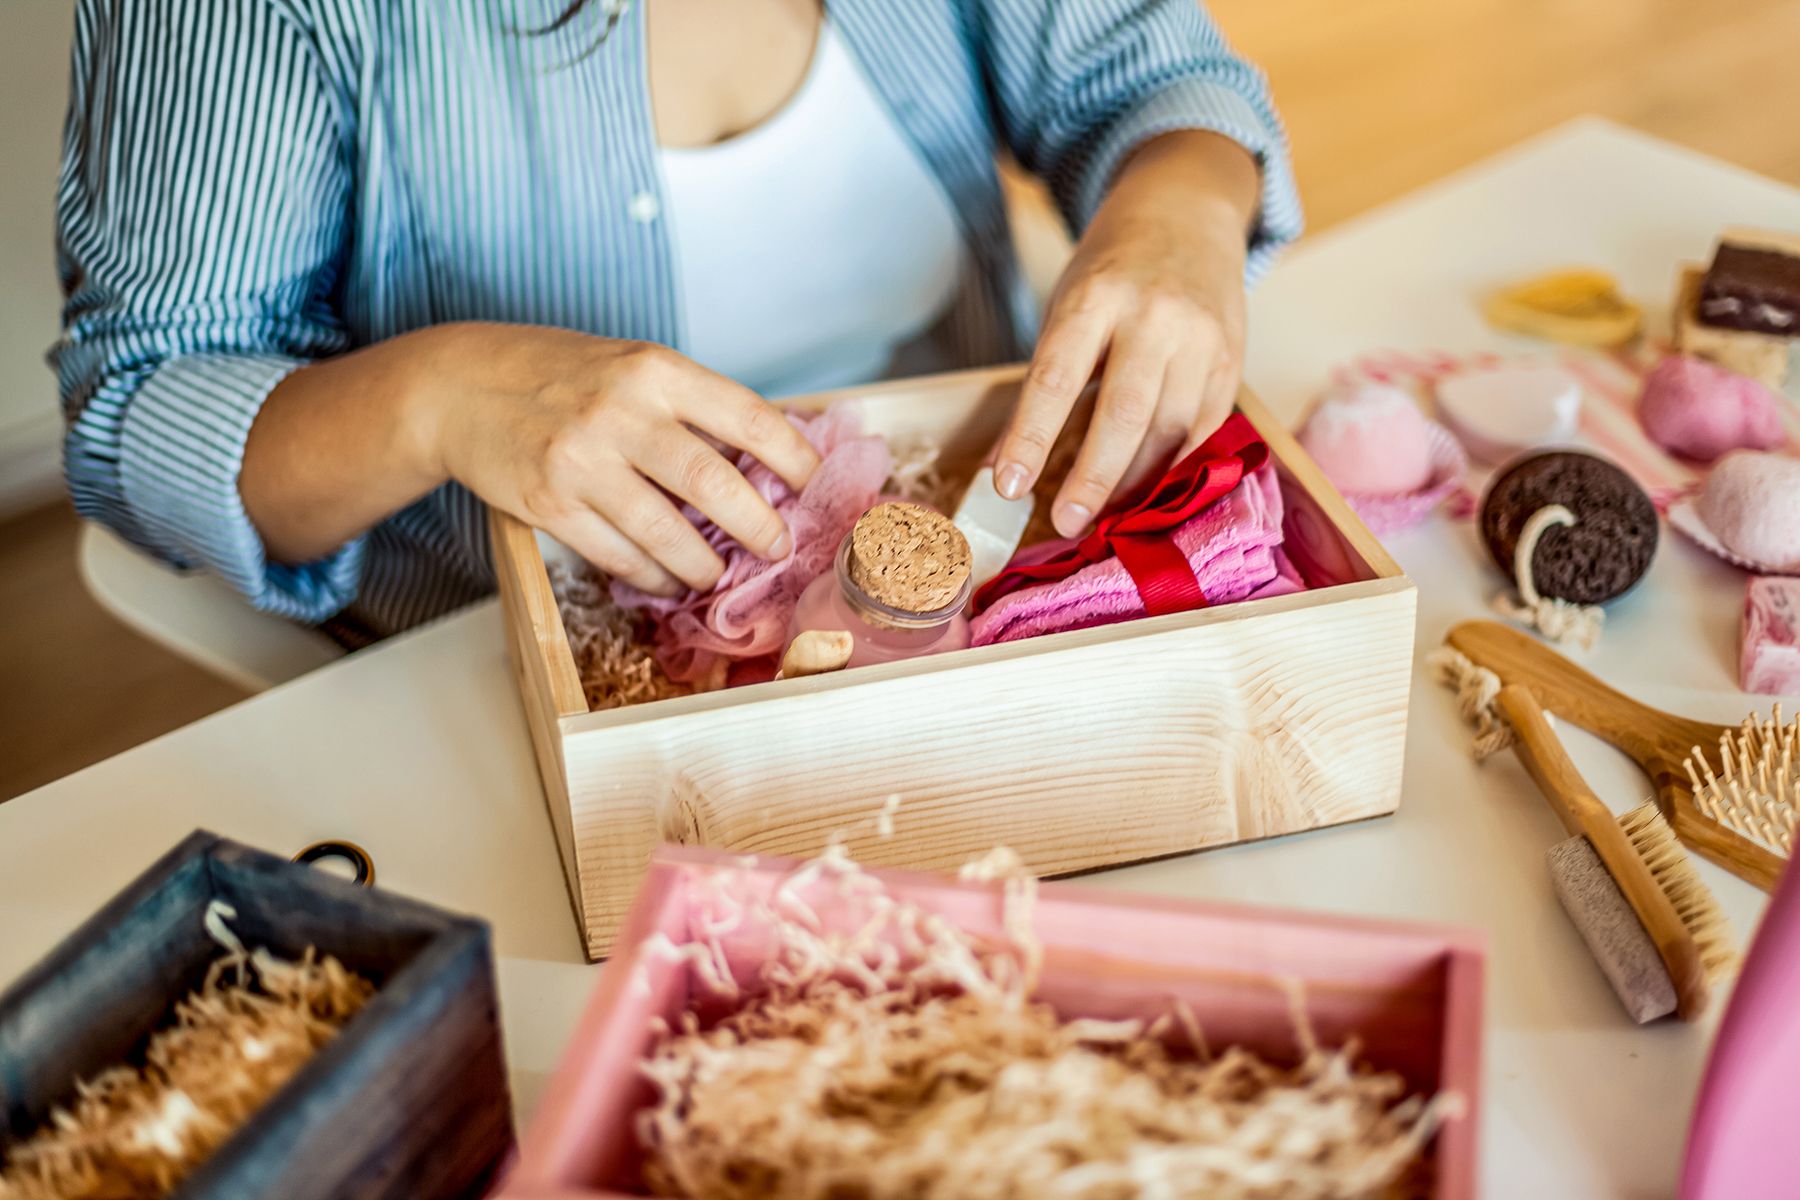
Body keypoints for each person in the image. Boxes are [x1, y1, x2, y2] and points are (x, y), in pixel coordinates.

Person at [53, 0, 1299, 641]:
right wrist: (438, 398)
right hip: (520, 684)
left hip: (994, 602)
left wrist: (1180, 203)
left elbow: (1143, 76)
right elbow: (136, 411)